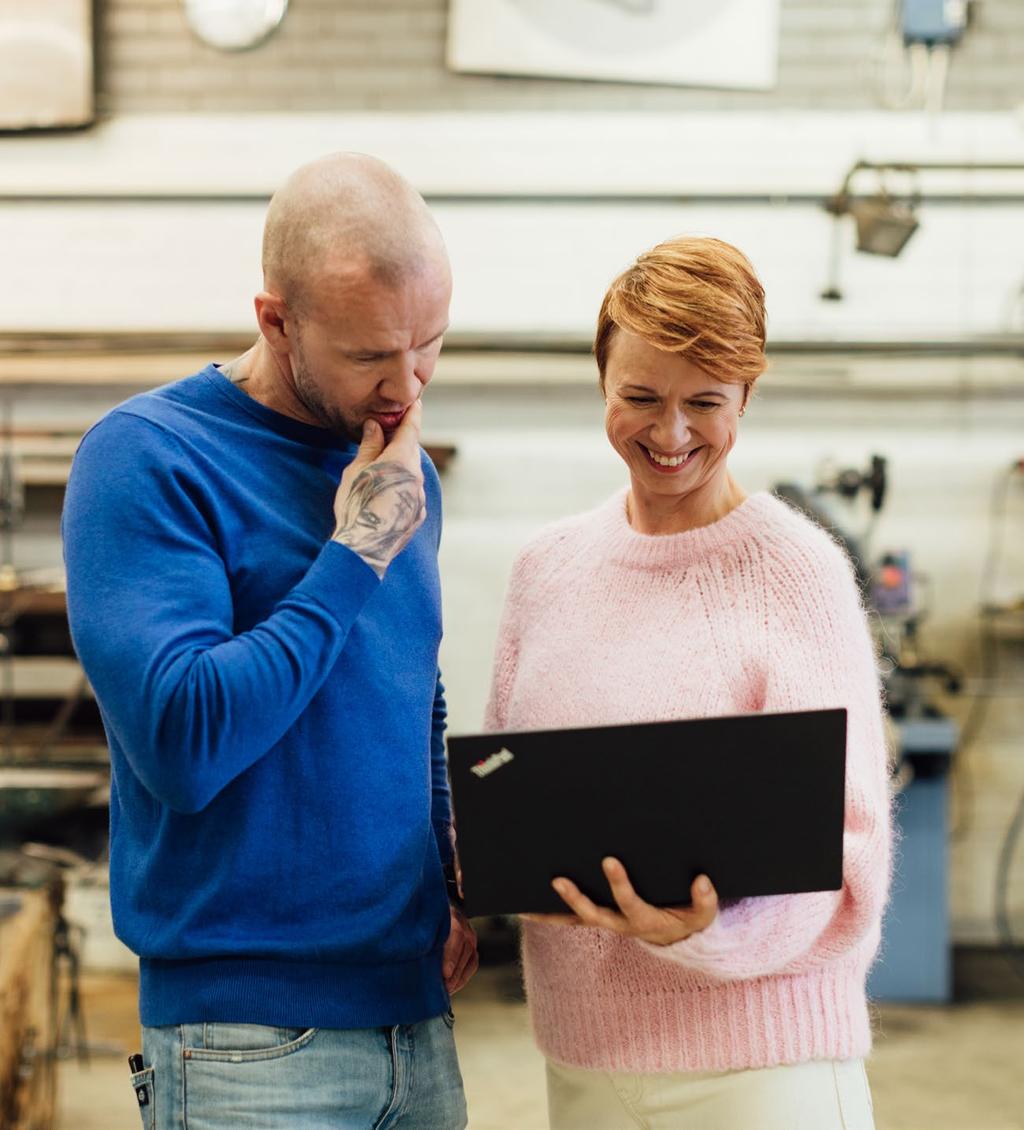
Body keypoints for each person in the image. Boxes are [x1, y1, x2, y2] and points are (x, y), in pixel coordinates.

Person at [62, 152, 477, 1129]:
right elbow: (183, 739)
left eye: (431, 344)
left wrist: (450, 865)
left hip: (416, 1020)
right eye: (371, 353)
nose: (407, 383)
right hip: (246, 1042)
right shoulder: (149, 459)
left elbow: (411, 680)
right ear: (276, 320)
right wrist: (357, 548)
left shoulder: (398, 473)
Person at [485, 236, 891, 1130]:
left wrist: (712, 933)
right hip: (586, 1066)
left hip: (761, 1072)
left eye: (704, 403)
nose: (669, 436)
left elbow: (850, 851)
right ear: (602, 380)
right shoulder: (546, 569)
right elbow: (505, 797)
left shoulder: (797, 571)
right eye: (641, 398)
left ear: (746, 396)